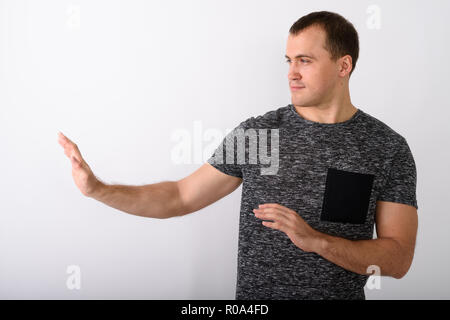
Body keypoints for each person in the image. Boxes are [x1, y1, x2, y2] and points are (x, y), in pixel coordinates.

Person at [58, 11, 418, 300]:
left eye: (305, 60)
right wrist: (98, 189)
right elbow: (180, 196)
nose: (291, 73)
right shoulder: (260, 135)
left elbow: (398, 258)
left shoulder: (387, 149)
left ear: (343, 66)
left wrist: (318, 242)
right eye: (289, 60)